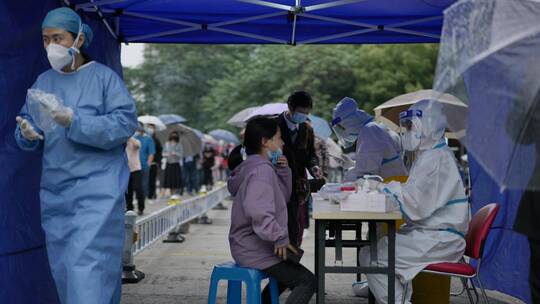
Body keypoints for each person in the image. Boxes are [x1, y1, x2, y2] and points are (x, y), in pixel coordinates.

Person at [14, 7, 137, 303]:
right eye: (45, 39)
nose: (50, 45)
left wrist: (75, 121)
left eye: (58, 37)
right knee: (66, 272)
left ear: (78, 39)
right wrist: (28, 135)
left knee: (88, 272)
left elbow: (124, 124)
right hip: (56, 195)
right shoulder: (44, 82)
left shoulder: (104, 79)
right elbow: (29, 125)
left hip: (98, 193)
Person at [355, 100, 469, 304]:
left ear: (427, 126)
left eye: (410, 126)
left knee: (374, 258)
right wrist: (385, 188)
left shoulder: (434, 159)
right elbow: (414, 198)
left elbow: (413, 204)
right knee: (373, 250)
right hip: (433, 232)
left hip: (439, 238)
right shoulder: (431, 155)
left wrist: (382, 187)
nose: (406, 131)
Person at [228, 117, 316, 304]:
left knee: (294, 258)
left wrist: (284, 172)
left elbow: (279, 200)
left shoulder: (259, 167)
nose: (282, 142)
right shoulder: (261, 172)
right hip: (253, 248)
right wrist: (279, 237)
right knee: (307, 282)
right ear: (265, 142)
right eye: (278, 138)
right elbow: (258, 211)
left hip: (252, 244)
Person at [276, 90, 321, 248]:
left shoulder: (307, 129)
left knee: (296, 224)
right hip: (277, 182)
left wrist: (314, 166)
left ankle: (293, 258)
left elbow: (311, 155)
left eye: (307, 112)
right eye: (301, 112)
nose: (303, 116)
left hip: (298, 184)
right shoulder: (273, 126)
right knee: (279, 222)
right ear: (290, 107)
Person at [331, 97, 407, 182]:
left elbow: (367, 173)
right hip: (393, 183)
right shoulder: (372, 128)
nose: (343, 132)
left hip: (392, 184)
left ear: (350, 122)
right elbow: (376, 162)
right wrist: (353, 164)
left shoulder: (370, 130)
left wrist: (348, 174)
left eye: (342, 127)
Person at [134, 122, 155, 201]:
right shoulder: (134, 138)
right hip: (135, 165)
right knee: (136, 183)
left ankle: (143, 198)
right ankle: (137, 197)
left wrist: (148, 163)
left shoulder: (148, 139)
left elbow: (151, 153)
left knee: (144, 182)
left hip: (144, 164)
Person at [125, 136, 145, 215]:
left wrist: (130, 138)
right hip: (126, 169)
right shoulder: (124, 142)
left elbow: (137, 146)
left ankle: (141, 208)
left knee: (138, 188)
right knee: (128, 190)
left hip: (136, 169)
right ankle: (129, 208)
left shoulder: (136, 141)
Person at [162, 131, 184, 197]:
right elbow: (163, 152)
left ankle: (175, 194)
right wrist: (165, 154)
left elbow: (181, 155)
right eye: (172, 135)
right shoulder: (167, 144)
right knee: (169, 180)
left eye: (175, 135)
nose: (173, 136)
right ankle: (171, 194)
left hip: (176, 164)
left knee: (175, 180)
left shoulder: (179, 144)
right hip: (168, 163)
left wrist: (176, 154)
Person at [146, 124, 162, 200]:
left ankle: (152, 194)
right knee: (145, 180)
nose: (150, 130)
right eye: (149, 128)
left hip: (154, 163)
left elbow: (159, 152)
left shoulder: (157, 140)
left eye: (152, 128)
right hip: (144, 163)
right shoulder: (145, 138)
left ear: (155, 130)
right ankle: (146, 194)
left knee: (152, 179)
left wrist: (158, 161)